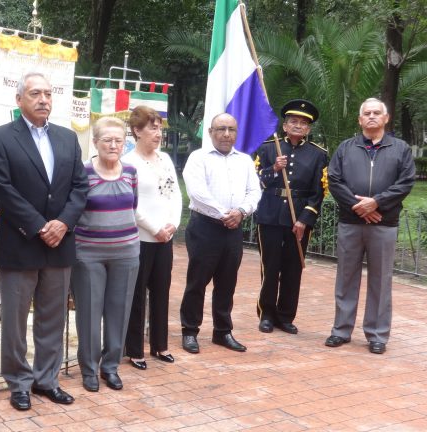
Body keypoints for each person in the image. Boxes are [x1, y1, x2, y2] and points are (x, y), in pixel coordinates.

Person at [0, 71, 88, 411]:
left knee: (53, 318)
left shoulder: (67, 139)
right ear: (19, 100)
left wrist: (63, 224)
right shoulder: (0, 138)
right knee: (15, 321)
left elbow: (79, 187)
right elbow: (2, 188)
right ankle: (18, 382)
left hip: (60, 243)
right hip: (21, 242)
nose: (44, 99)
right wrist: (40, 225)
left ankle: (47, 379)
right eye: (35, 93)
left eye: (48, 93)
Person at [325, 97, 415, 355]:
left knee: (381, 279)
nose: (372, 116)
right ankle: (341, 330)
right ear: (360, 119)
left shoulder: (400, 149)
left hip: (384, 224)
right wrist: (360, 208)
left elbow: (406, 182)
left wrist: (376, 203)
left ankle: (377, 334)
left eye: (377, 112)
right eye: (367, 113)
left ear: (386, 118)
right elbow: (335, 180)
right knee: (346, 277)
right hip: (351, 223)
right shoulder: (346, 148)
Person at [180, 113, 261, 354]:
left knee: (227, 282)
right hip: (205, 227)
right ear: (210, 132)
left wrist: (241, 212)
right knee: (198, 281)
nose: (227, 134)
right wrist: (225, 213)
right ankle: (190, 331)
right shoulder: (198, 158)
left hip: (234, 228)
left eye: (231, 129)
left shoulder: (245, 160)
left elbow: (254, 191)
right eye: (221, 129)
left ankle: (222, 331)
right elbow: (196, 192)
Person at [71, 116, 140, 392]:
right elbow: (75, 210)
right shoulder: (83, 173)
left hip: (126, 252)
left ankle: (110, 367)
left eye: (119, 140)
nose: (113, 145)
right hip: (88, 254)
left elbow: (133, 206)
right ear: (95, 142)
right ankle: (89, 369)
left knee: (119, 311)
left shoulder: (131, 172)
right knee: (88, 312)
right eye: (107, 140)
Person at [254, 99, 328, 334]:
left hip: (299, 218)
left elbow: (319, 191)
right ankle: (266, 313)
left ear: (308, 129)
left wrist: (305, 219)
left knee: (293, 267)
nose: (298, 126)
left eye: (303, 123)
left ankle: (285, 316)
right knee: (270, 266)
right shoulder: (268, 148)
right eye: (293, 121)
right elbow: (256, 183)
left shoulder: (318, 154)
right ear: (284, 126)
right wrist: (274, 169)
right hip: (270, 215)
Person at [121, 106, 181, 370]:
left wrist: (172, 225)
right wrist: (154, 227)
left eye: (159, 128)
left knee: (161, 291)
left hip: (164, 238)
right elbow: (130, 204)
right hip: (141, 237)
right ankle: (135, 349)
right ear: (137, 130)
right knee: (136, 295)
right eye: (152, 128)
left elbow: (175, 194)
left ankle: (160, 344)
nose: (157, 133)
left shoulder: (165, 159)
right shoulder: (128, 162)